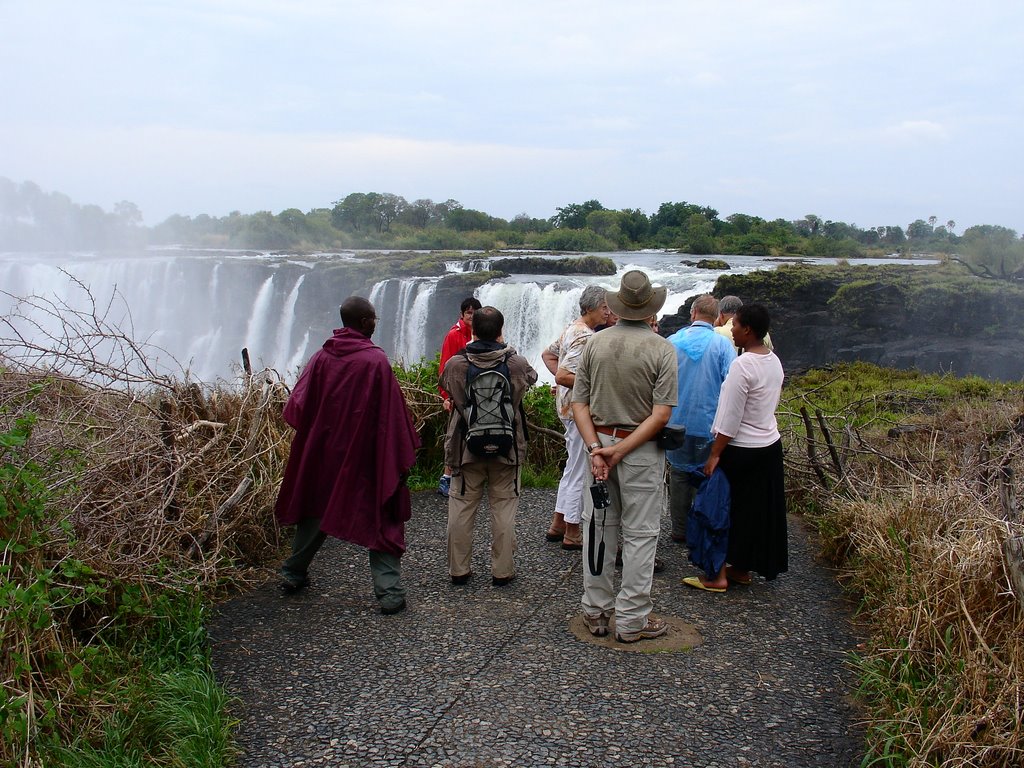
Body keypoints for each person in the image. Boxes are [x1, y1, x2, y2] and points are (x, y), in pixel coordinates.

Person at [274, 296, 421, 615]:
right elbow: (392, 415)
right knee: (382, 513)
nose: (374, 324)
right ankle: (389, 592)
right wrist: (397, 456)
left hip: (324, 453)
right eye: (373, 319)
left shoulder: (321, 357)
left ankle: (293, 572)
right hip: (367, 455)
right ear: (364, 322)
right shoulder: (375, 361)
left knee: (316, 510)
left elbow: (297, 407)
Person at [572, 271, 678, 643]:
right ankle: (632, 620)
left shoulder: (594, 345)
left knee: (598, 527)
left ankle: (595, 611)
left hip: (598, 445)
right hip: (640, 451)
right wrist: (619, 449)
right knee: (641, 534)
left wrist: (596, 449)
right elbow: (661, 414)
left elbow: (578, 403)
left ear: (618, 306)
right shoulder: (662, 349)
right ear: (650, 308)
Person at [684, 303, 787, 592]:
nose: (732, 330)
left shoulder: (742, 365)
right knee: (753, 512)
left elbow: (729, 417)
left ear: (748, 330)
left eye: (736, 326)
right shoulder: (773, 361)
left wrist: (715, 454)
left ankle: (715, 576)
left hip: (740, 450)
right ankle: (740, 568)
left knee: (721, 512)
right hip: (768, 447)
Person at [441, 306, 538, 586]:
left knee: (461, 507)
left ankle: (459, 570)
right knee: (504, 510)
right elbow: (531, 379)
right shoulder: (515, 363)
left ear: (472, 331)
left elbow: (446, 387)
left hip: (465, 447)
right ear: (500, 331)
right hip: (507, 448)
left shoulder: (456, 365)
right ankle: (502, 571)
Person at [540, 285, 610, 550]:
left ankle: (557, 524)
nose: (607, 311)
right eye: (604, 307)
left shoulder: (572, 328)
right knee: (579, 471)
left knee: (572, 467)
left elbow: (548, 354)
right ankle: (572, 531)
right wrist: (594, 384)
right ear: (590, 308)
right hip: (577, 411)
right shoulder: (584, 337)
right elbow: (562, 376)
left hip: (566, 408)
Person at [665, 295, 736, 542]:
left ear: (693, 313)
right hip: (710, 423)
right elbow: (732, 383)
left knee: (678, 474)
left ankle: (679, 529)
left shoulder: (672, 341)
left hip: (675, 421)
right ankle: (700, 527)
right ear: (716, 317)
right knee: (707, 474)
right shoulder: (723, 345)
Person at [437, 297, 482, 497]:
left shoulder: (481, 333)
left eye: (475, 313)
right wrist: (446, 396)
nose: (471, 316)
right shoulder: (454, 335)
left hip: (477, 394)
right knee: (454, 436)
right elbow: (445, 366)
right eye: (469, 313)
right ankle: (446, 478)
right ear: (462, 314)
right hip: (457, 394)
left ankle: (468, 478)